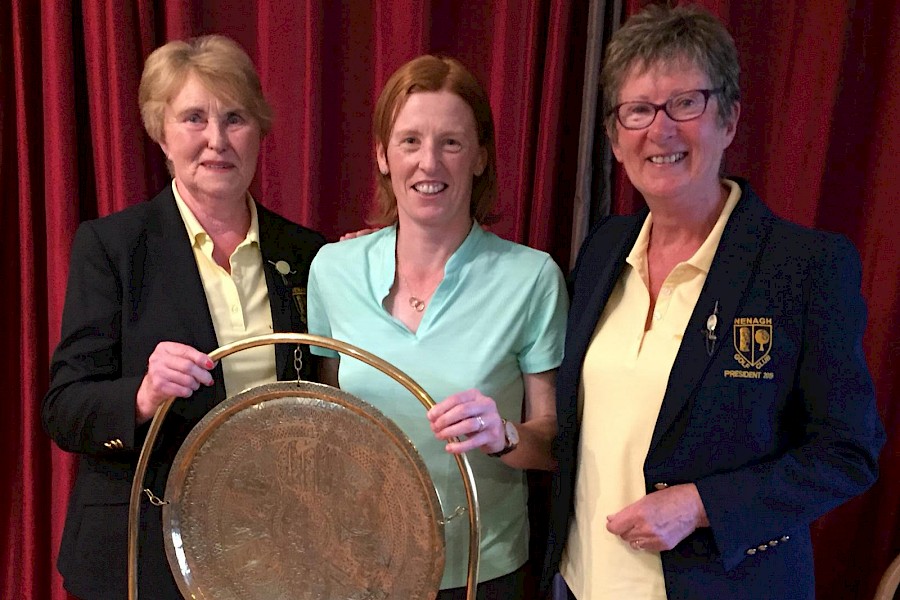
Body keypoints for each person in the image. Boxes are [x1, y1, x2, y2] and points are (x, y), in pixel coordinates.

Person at [541, 5, 885, 600]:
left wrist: (701, 505)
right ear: (615, 138)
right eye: (638, 109)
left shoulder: (803, 267)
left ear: (728, 118)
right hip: (580, 583)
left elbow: (847, 453)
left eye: (686, 103)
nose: (660, 129)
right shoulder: (602, 251)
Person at [42, 35, 325, 599]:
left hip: (269, 554)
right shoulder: (113, 246)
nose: (217, 140)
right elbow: (65, 410)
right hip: (139, 554)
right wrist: (143, 395)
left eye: (235, 118)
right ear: (161, 134)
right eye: (194, 118)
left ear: (260, 133)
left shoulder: (309, 252)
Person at [306, 54, 568, 599]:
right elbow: (328, 418)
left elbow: (552, 444)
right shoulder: (333, 269)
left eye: (451, 142)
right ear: (382, 155)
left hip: (480, 573)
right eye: (409, 141)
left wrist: (504, 436)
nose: (430, 163)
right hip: (358, 569)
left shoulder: (532, 277)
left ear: (479, 158)